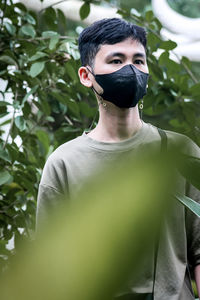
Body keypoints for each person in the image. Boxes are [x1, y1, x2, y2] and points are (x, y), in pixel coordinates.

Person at [36, 18, 200, 300]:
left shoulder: (180, 151)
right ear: (87, 76)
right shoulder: (64, 163)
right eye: (116, 60)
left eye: (139, 60)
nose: (131, 69)